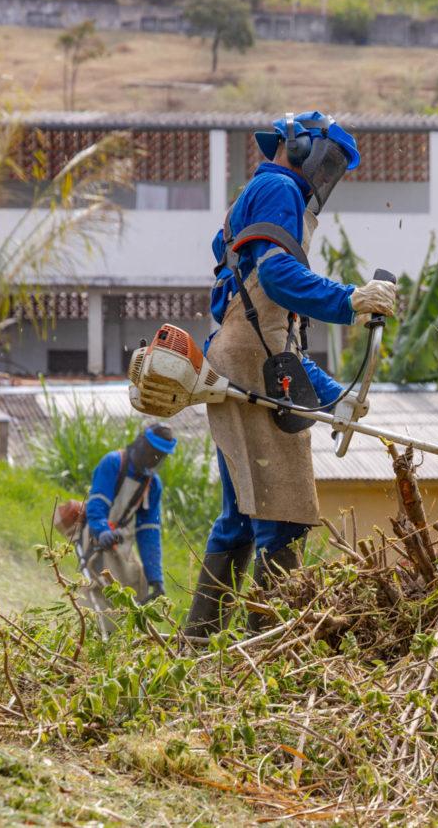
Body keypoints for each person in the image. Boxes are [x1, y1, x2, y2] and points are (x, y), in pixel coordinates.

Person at [183, 111, 396, 637]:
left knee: (240, 517)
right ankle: (274, 650)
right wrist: (349, 299)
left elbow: (281, 346)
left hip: (240, 358)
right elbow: (277, 279)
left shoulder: (257, 194)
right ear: (297, 148)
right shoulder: (280, 186)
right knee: (285, 511)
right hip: (249, 361)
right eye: (327, 159)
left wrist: (334, 399)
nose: (327, 176)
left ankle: (199, 644)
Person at [81, 423, 176, 607]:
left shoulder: (153, 484)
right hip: (95, 532)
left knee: (138, 580)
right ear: (141, 442)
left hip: (119, 538)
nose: (153, 458)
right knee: (103, 586)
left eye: (159, 455)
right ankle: (97, 626)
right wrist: (102, 531)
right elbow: (97, 504)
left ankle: (127, 630)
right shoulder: (114, 463)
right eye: (152, 451)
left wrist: (156, 578)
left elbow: (149, 532)